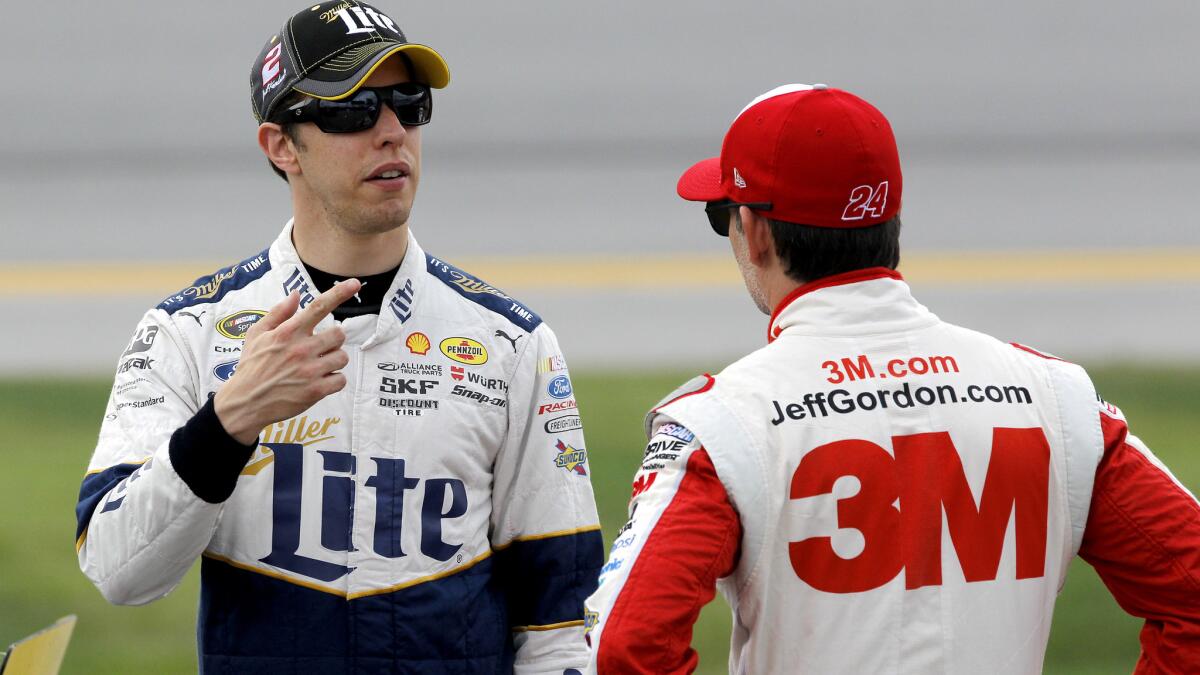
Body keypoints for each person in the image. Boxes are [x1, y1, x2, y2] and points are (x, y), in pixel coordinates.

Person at [583, 84, 1200, 673]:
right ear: (889, 219)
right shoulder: (1056, 399)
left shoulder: (723, 426)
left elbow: (625, 646)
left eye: (723, 219)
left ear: (757, 231)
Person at [74, 2, 602, 672]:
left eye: (409, 103)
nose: (391, 133)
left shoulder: (512, 343)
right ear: (280, 145)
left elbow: (562, 619)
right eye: (352, 109)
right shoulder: (186, 333)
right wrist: (230, 419)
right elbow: (118, 568)